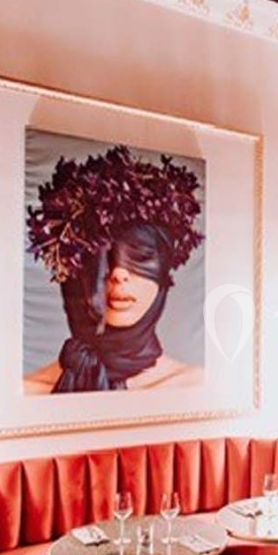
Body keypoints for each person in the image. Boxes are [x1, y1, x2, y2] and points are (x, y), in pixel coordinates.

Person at [23, 146, 205, 395]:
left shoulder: (197, 389)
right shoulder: (29, 393)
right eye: (100, 258)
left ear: (163, 274)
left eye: (140, 256)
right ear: (71, 271)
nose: (119, 273)